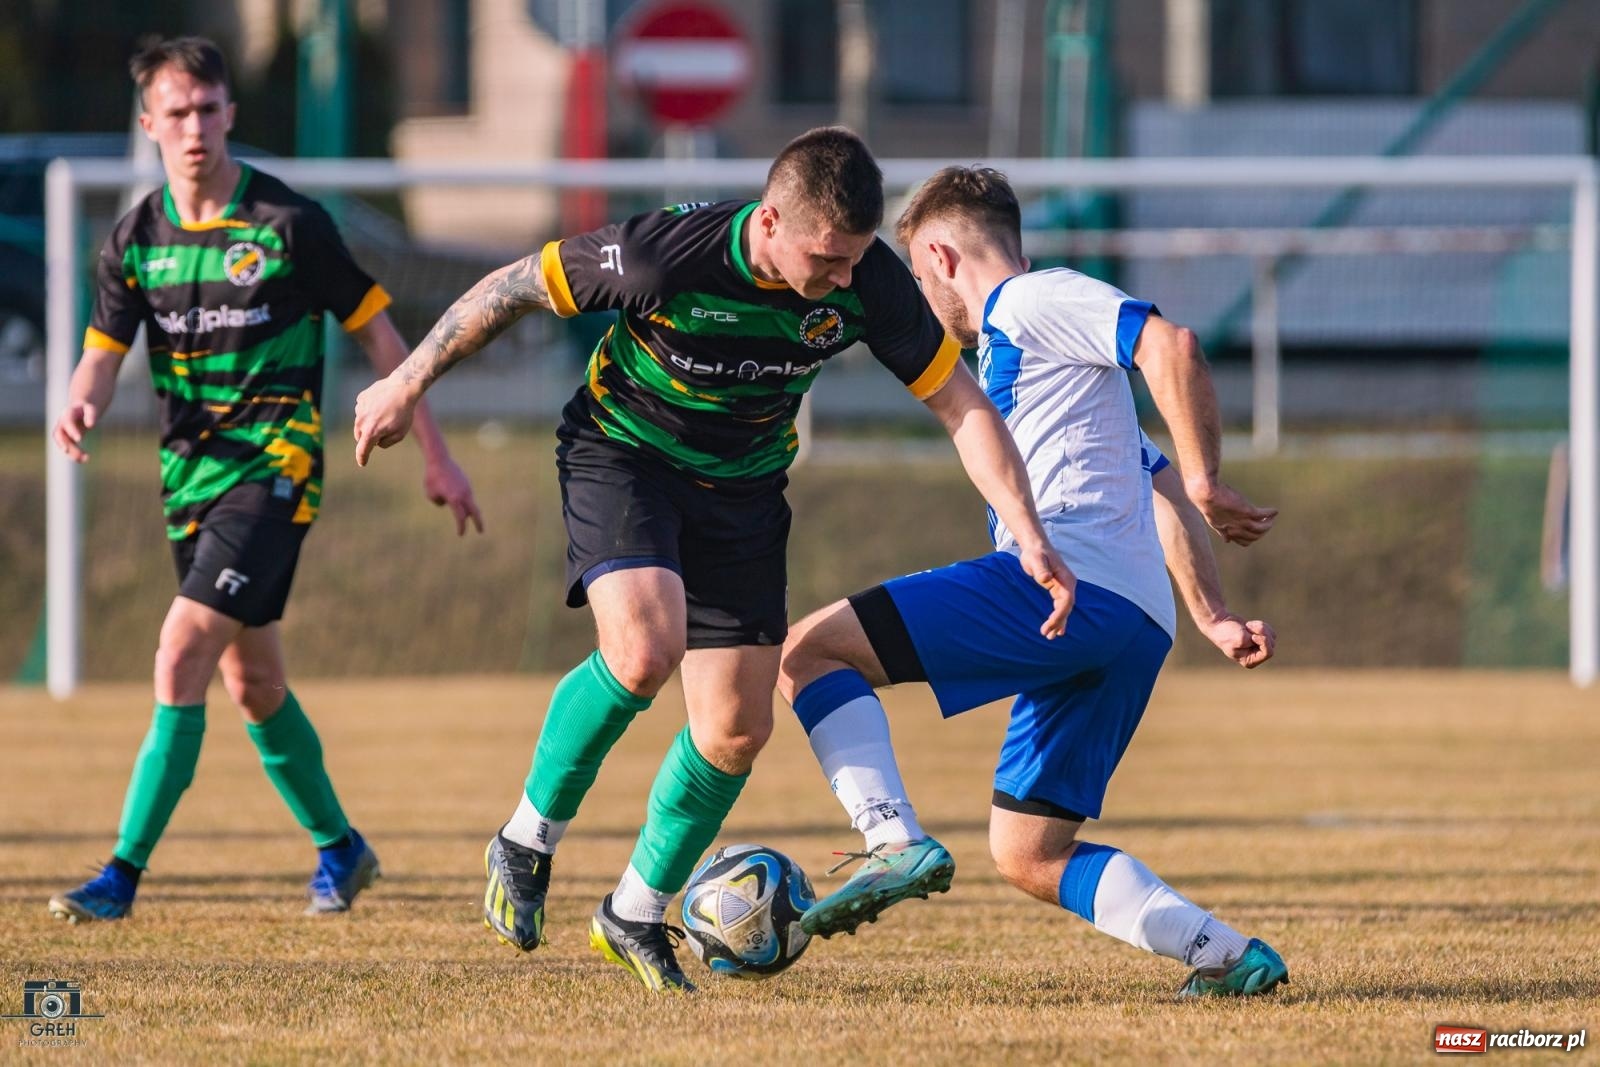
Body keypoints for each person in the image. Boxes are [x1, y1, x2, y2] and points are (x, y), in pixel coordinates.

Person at [353, 128, 1072, 993]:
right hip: (625, 455)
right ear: (770, 220)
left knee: (735, 730)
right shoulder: (664, 255)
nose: (844, 279)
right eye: (827, 259)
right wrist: (406, 382)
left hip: (744, 492)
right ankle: (524, 839)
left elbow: (961, 404)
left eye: (854, 260)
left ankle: (633, 911)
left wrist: (1024, 527)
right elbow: (510, 289)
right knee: (644, 649)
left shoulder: (868, 280)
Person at [776, 165, 1288, 998]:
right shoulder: (1059, 381)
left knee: (809, 653)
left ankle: (889, 837)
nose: (919, 295)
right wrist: (1214, 613)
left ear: (940, 256)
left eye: (914, 274)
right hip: (1134, 624)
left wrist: (1207, 478)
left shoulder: (1026, 301)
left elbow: (1171, 345)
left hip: (1068, 589)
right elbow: (1150, 485)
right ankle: (1227, 954)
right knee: (1029, 852)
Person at [47, 37, 483, 923]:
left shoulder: (289, 224)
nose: (196, 127)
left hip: (275, 468)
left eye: (209, 109)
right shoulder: (137, 238)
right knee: (254, 685)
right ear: (150, 125)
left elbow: (380, 338)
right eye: (178, 113)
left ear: (230, 113)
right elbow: (100, 357)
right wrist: (78, 401)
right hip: (188, 481)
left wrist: (434, 451)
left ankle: (121, 876)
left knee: (179, 653)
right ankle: (341, 847)